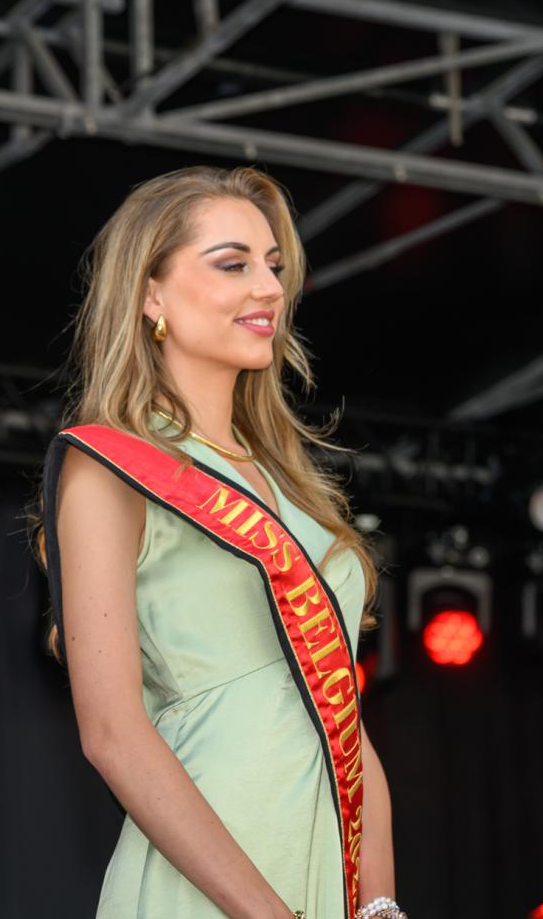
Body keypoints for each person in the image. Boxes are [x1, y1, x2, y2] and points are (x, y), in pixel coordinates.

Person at [39, 166, 402, 919]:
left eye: (273, 266)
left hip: (327, 870)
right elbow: (111, 733)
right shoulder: (111, 466)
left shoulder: (293, 482)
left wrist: (380, 905)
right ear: (151, 294)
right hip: (205, 883)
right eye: (232, 264)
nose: (269, 288)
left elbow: (345, 721)